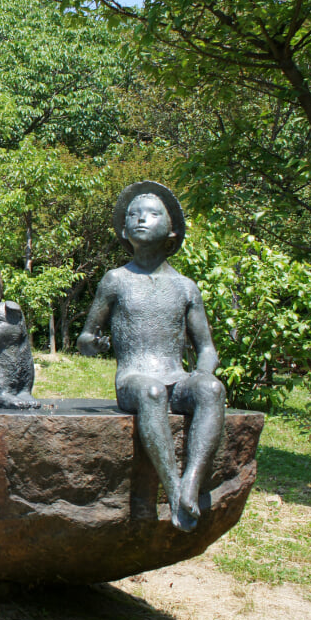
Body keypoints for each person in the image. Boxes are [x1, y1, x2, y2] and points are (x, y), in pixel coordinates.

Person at [77, 181, 226, 532]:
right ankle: (175, 493)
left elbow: (206, 348)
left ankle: (191, 481)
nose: (142, 219)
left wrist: (203, 374)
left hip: (177, 375)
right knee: (152, 392)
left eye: (152, 213)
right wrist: (92, 343)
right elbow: (86, 335)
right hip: (135, 380)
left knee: (212, 391)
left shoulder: (185, 287)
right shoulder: (115, 280)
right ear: (125, 230)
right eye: (134, 215)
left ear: (170, 230)